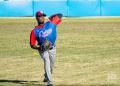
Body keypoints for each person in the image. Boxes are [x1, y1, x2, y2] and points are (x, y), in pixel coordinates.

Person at [30, 11, 63, 86]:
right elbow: (32, 45)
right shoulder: (34, 31)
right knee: (47, 61)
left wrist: (51, 17)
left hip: (52, 48)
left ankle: (46, 75)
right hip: (43, 50)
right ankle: (49, 82)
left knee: (52, 64)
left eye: (42, 16)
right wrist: (39, 47)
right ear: (36, 18)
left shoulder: (51, 23)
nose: (41, 17)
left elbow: (60, 15)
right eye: (39, 16)